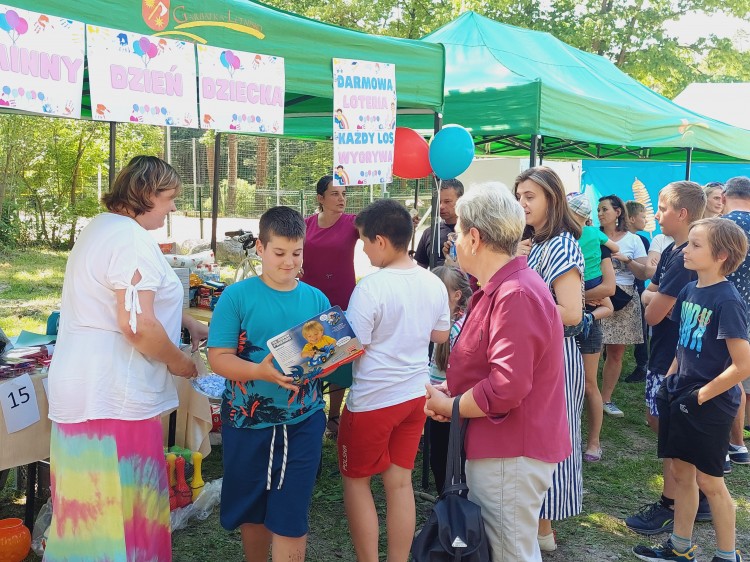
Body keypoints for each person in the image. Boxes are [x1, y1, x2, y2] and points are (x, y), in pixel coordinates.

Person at [44, 156, 208, 562]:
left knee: (86, 512)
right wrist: (180, 364)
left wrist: (186, 320)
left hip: (87, 390)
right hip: (114, 394)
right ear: (146, 194)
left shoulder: (102, 227)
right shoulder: (130, 239)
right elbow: (137, 326)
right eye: (169, 198)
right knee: (125, 513)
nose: (172, 208)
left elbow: (117, 298)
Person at [424, 182, 570, 562]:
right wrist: (451, 392)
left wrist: (452, 403)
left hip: (509, 451)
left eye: (456, 232)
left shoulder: (514, 293)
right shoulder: (501, 288)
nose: (453, 241)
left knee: (510, 553)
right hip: (501, 447)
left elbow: (506, 387)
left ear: (473, 237)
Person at [207, 206, 330, 562]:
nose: (289, 262)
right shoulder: (236, 296)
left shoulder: (315, 300)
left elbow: (321, 356)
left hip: (303, 421)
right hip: (247, 424)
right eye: (279, 253)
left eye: (297, 253)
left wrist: (330, 359)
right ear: (260, 249)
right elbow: (218, 358)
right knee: (252, 506)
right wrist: (259, 372)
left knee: (291, 512)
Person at [632, 217, 750, 562]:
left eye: (696, 245)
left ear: (722, 255)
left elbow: (742, 365)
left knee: (712, 483)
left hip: (709, 405)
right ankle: (679, 547)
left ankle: (727, 555)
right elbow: (683, 345)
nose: (687, 250)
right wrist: (671, 379)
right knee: (682, 475)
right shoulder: (689, 289)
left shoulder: (728, 300)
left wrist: (701, 395)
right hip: (680, 395)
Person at [340, 198, 450, 562]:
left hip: (373, 400)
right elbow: (439, 335)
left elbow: (353, 346)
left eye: (364, 241)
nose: (364, 249)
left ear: (381, 240)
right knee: (399, 482)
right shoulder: (433, 282)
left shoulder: (371, 287)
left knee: (357, 482)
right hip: (415, 396)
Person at [625, 181, 710, 535]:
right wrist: (652, 295)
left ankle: (672, 503)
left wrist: (650, 297)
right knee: (663, 426)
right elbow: (654, 293)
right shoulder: (678, 251)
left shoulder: (683, 258)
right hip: (668, 354)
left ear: (683, 213)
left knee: (669, 432)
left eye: (661, 208)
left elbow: (653, 311)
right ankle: (695, 494)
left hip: (673, 358)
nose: (655, 214)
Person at [515, 166, 584, 551]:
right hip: (538, 356)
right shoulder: (536, 243)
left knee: (549, 439)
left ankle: (543, 528)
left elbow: (571, 312)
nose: (522, 204)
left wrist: (516, 310)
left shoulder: (560, 244)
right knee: (536, 438)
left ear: (552, 199)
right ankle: (539, 526)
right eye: (520, 196)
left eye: (531, 196)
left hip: (555, 357)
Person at [299, 175, 359, 439]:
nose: (341, 199)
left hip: (342, 302)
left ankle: (334, 417)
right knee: (309, 354)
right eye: (334, 194)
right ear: (320, 198)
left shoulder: (352, 223)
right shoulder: (306, 224)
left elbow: (379, 231)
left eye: (343, 193)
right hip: (309, 301)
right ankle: (312, 411)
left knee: (338, 359)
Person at [567, 193, 616, 462]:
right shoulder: (555, 240)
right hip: (563, 322)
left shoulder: (598, 245)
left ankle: (594, 442)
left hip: (587, 324)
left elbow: (609, 292)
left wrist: (577, 300)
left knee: (588, 384)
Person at [598, 194, 650, 417]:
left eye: (605, 209)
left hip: (623, 299)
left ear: (618, 212)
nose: (600, 214)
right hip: (595, 296)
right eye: (598, 210)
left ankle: (605, 399)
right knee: (586, 349)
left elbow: (644, 273)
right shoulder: (593, 236)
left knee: (616, 352)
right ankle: (584, 393)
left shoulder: (633, 240)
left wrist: (627, 260)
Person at [426, 265, 472, 494]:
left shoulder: (459, 328)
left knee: (446, 457)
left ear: (457, 295)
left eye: (439, 293)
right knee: (440, 456)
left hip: (451, 402)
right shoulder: (438, 323)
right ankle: (446, 500)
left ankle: (451, 502)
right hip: (437, 401)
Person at [720, 176, 750, 467]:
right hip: (748, 314)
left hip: (719, 310)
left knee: (718, 378)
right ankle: (737, 445)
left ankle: (722, 447)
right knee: (736, 379)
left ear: (726, 195)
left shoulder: (722, 228)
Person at [625, 200, 652, 383]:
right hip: (620, 290)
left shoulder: (642, 240)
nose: (646, 220)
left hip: (638, 289)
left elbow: (644, 270)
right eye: (643, 217)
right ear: (632, 218)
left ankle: (642, 365)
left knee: (641, 331)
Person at [414, 178, 463, 268]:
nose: (441, 206)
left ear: (461, 200)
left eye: (447, 201)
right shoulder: (429, 232)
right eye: (438, 201)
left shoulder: (472, 232)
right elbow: (421, 268)